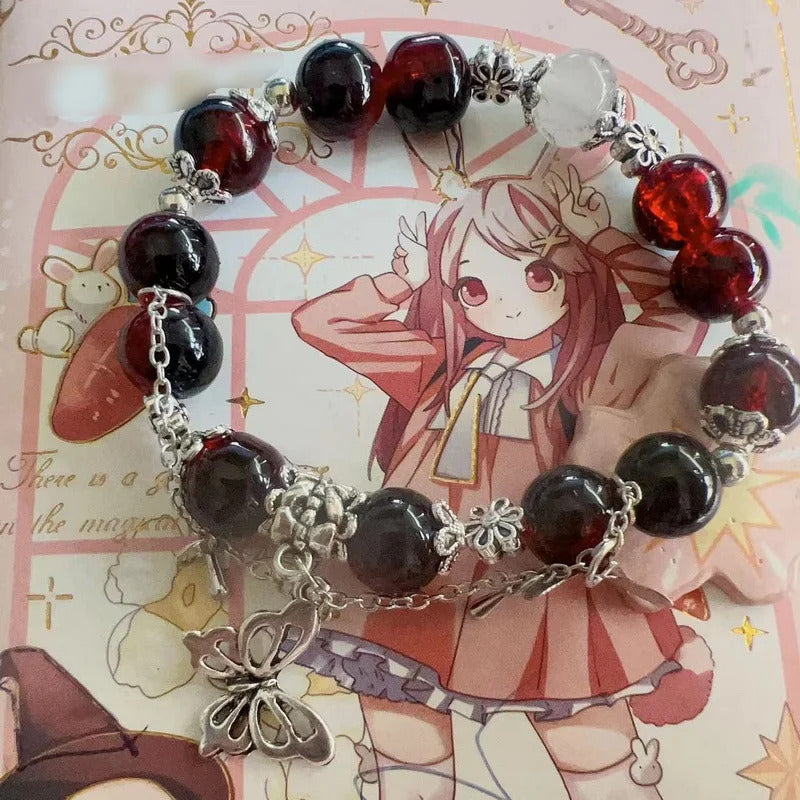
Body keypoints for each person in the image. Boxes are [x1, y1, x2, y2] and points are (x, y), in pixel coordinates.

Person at [292, 166, 712, 799]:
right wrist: (400, 282)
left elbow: (675, 305)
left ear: (572, 275)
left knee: (588, 738)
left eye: (537, 274)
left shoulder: (589, 379)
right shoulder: (437, 368)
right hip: (415, 569)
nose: (505, 301)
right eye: (471, 287)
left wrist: (600, 238)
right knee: (403, 735)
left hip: (544, 573)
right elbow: (322, 323)